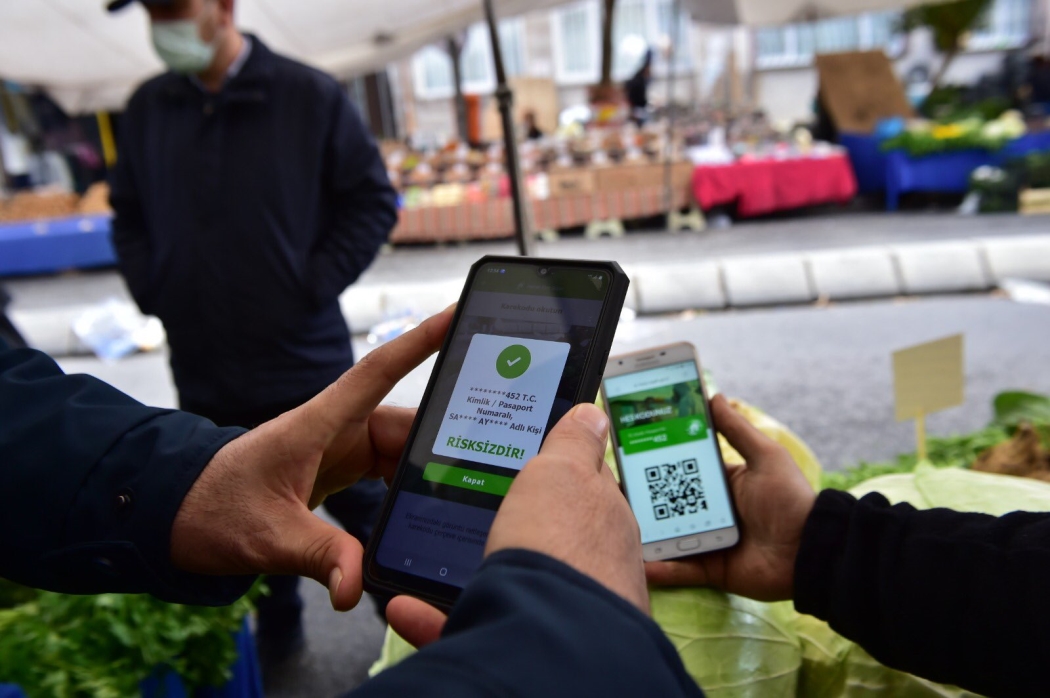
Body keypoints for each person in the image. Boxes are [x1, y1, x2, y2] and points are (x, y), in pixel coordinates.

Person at [0, 312, 702, 698]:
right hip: (205, 358)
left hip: (296, 343)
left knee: (380, 525)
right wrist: (575, 628)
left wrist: (183, 480)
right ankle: (287, 635)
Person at [105, 0, 398, 664]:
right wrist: (156, 286)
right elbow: (127, 214)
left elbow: (372, 200)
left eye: (173, 7)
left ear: (224, 7)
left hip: (303, 361)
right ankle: (278, 635)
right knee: (232, 510)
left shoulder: (307, 95)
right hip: (204, 364)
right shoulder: (150, 106)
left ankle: (422, 622)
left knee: (361, 498)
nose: (162, 24)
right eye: (151, 10)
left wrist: (308, 285)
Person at [624, 49, 653, 126]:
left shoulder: (640, 78)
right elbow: (639, 99)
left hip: (638, 108)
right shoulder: (639, 80)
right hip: (636, 108)